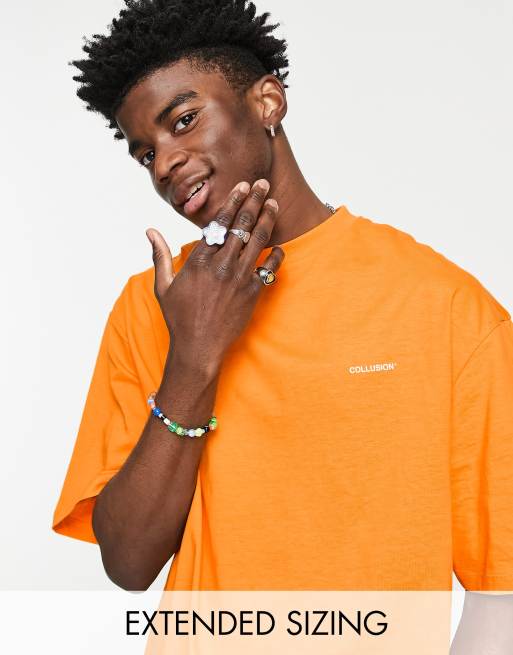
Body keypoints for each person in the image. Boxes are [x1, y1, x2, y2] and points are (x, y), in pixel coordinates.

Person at [52, 0, 513, 609]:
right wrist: (193, 356)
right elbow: (129, 562)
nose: (164, 164)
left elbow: (502, 595)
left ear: (267, 102)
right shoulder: (152, 303)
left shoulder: (443, 305)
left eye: (183, 120)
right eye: (145, 153)